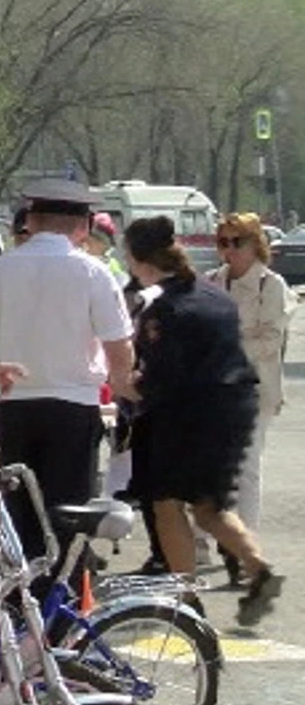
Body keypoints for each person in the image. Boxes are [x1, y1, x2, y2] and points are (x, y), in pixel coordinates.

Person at [123, 217, 283, 625]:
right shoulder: (214, 295)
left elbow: (160, 376)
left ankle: (185, 598)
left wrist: (128, 387)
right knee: (209, 507)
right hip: (234, 406)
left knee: (164, 502)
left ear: (139, 262)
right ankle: (259, 568)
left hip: (189, 414)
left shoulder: (162, 306)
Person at [0, 180, 134, 560]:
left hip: (15, 407)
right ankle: (63, 604)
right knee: (69, 514)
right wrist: (118, 386)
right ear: (83, 226)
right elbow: (120, 348)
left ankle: (20, 606)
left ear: (33, 222)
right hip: (73, 405)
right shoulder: (93, 272)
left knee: (18, 513)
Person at [201, 212, 294, 580]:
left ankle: (244, 552)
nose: (228, 250)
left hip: (255, 391)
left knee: (247, 470)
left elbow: (271, 339)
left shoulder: (271, 286)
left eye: (236, 242)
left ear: (256, 245)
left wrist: (227, 348)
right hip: (213, 393)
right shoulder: (211, 283)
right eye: (222, 242)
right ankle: (202, 547)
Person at [85, 212, 127, 284]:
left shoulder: (111, 265)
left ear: (101, 243)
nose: (84, 245)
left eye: (88, 241)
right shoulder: (85, 261)